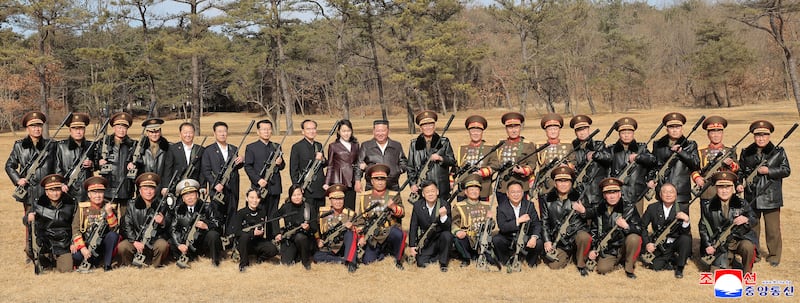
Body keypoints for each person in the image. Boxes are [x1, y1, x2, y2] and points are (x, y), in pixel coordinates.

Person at [737, 120, 790, 267]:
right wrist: (739, 184)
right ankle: (755, 254)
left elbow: (786, 170)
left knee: (772, 229)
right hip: (751, 195)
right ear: (754, 136)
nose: (761, 138)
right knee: (752, 227)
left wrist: (770, 171)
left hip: (770, 196)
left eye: (764, 135)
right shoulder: (746, 152)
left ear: (769, 136)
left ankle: (774, 256)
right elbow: (740, 171)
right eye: (758, 135)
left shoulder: (779, 152)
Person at [348, 164, 406, 270]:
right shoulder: (364, 197)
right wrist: (362, 237)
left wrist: (393, 207)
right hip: (373, 236)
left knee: (398, 234)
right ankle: (383, 253)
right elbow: (360, 221)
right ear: (371, 181)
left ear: (386, 181)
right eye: (376, 179)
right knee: (368, 261)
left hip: (388, 231)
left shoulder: (393, 195)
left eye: (382, 179)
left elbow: (402, 213)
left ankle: (397, 259)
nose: (380, 182)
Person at [700, 171, 757, 273]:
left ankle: (747, 271)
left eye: (728, 187)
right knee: (717, 272)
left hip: (738, 240)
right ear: (716, 188)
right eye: (721, 187)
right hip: (720, 244)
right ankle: (731, 260)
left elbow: (754, 219)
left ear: (733, 188)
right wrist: (708, 245)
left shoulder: (742, 203)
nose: (724, 191)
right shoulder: (708, 206)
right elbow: (703, 227)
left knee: (748, 246)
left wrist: (746, 219)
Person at [586, 177, 643, 279]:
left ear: (619, 194)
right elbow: (594, 230)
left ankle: (629, 268)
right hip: (609, 249)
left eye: (614, 192)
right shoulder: (599, 209)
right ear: (604, 195)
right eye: (608, 193)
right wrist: (593, 249)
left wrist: (627, 226)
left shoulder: (629, 208)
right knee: (602, 269)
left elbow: (639, 229)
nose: (612, 196)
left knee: (634, 238)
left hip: (623, 246)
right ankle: (618, 262)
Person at [539, 167, 592, 275]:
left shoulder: (580, 196)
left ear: (571, 182)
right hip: (560, 240)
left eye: (566, 181)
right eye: (560, 181)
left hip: (576, 235)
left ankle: (581, 263)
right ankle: (570, 256)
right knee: (554, 266)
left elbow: (592, 215)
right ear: (555, 182)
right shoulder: (546, 199)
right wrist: (547, 240)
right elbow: (544, 222)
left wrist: (583, 211)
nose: (563, 184)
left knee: (584, 237)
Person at [605, 117, 657, 216]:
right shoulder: (612, 150)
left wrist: (639, 157)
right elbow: (607, 170)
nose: (626, 135)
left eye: (629, 132)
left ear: (633, 133)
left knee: (637, 222)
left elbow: (653, 161)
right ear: (619, 134)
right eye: (623, 133)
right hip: (617, 194)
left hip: (637, 193)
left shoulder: (642, 148)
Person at [651, 112, 700, 214]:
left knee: (682, 224)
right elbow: (653, 165)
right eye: (671, 127)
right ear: (666, 129)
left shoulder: (690, 145)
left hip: (681, 192)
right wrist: (651, 179)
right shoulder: (658, 144)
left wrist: (681, 152)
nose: (674, 130)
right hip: (662, 190)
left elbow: (696, 164)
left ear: (682, 128)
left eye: (677, 127)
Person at [118, 172, 170, 268]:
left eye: (151, 189)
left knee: (163, 245)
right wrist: (134, 241)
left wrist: (163, 222)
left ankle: (156, 264)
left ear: (155, 190)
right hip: (136, 239)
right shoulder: (132, 204)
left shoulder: (162, 205)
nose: (149, 192)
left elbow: (170, 226)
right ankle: (128, 265)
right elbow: (126, 224)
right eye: (145, 189)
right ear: (140, 190)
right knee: (123, 246)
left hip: (154, 240)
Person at [243, 119, 285, 238]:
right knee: (259, 215)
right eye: (263, 129)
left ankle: (272, 240)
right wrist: (258, 180)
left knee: (273, 215)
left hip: (274, 187)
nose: (266, 131)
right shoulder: (251, 147)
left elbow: (282, 166)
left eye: (269, 129)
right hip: (259, 188)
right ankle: (258, 242)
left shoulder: (276, 146)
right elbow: (248, 167)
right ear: (258, 131)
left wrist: (280, 162)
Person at [26, 174, 76, 273]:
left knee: (67, 270)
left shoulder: (71, 203)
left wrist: (73, 242)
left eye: (57, 190)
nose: (55, 193)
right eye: (51, 190)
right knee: (29, 248)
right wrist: (28, 218)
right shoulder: (39, 203)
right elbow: (25, 219)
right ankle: (47, 261)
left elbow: (75, 225)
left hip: (63, 243)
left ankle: (56, 261)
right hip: (46, 242)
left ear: (61, 190)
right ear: (46, 192)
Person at [201, 121, 244, 234]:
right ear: (214, 133)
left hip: (233, 187)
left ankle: (230, 238)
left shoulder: (233, 149)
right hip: (217, 189)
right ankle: (218, 238)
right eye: (219, 132)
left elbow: (235, 167)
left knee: (232, 212)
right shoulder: (208, 150)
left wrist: (241, 161)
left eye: (224, 131)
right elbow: (206, 170)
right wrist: (215, 184)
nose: (222, 134)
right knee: (217, 214)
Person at [7, 111, 55, 211]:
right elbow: (9, 165)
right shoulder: (19, 146)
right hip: (29, 192)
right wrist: (17, 180)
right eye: (33, 126)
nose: (37, 129)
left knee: (50, 224)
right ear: (27, 128)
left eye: (39, 126)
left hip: (49, 192)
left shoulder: (51, 145)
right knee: (30, 222)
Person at [641, 183, 691, 278]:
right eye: (665, 192)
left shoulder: (682, 208)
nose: (668, 195)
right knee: (655, 267)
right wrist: (647, 243)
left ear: (676, 195)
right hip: (659, 245)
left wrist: (686, 221)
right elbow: (642, 227)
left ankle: (680, 268)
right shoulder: (652, 208)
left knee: (686, 239)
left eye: (671, 192)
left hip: (675, 243)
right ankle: (671, 262)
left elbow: (685, 231)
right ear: (660, 194)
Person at [170, 178, 223, 268]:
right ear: (182, 198)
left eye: (192, 194)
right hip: (187, 243)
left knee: (213, 235)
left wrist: (207, 226)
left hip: (203, 242)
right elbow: (173, 229)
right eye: (186, 195)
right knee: (171, 242)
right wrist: (179, 245)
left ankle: (215, 261)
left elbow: (218, 223)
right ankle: (184, 258)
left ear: (197, 195)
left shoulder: (207, 206)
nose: (190, 198)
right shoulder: (178, 210)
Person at [71, 176, 119, 272]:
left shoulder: (109, 207)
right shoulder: (82, 208)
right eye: (94, 192)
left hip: (102, 244)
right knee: (77, 255)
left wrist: (110, 214)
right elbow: (76, 228)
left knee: (113, 235)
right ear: (89, 195)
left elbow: (114, 229)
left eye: (100, 192)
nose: (98, 196)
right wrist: (83, 248)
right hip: (86, 243)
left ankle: (107, 265)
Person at [492, 181, 543, 270]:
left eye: (518, 192)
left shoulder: (529, 205)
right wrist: (518, 221)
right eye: (513, 192)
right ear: (507, 194)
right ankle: (506, 261)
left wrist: (534, 237)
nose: (516, 195)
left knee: (538, 242)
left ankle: (530, 262)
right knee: (497, 240)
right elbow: (502, 227)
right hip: (509, 237)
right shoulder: (501, 207)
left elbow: (536, 224)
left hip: (525, 236)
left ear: (523, 193)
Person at [408, 110, 456, 202]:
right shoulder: (414, 144)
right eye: (425, 125)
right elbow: (410, 167)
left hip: (441, 187)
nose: (428, 127)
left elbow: (452, 161)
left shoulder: (444, 142)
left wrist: (440, 158)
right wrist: (413, 184)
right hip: (422, 187)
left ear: (434, 126)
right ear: (420, 128)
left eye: (430, 124)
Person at [95, 112, 136, 219]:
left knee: (125, 219)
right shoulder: (104, 143)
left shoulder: (133, 145)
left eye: (124, 127)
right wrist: (98, 163)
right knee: (108, 219)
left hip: (126, 188)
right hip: (109, 188)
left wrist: (134, 164)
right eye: (119, 127)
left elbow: (140, 163)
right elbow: (94, 162)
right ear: (114, 127)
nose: (121, 130)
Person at [451, 175, 496, 268]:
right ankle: (466, 258)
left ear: (480, 192)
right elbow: (453, 223)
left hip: (481, 241)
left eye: (476, 190)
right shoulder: (459, 206)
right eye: (471, 190)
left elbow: (492, 226)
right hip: (467, 239)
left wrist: (490, 220)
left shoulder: (486, 205)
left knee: (492, 260)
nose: (474, 192)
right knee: (458, 239)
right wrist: (457, 231)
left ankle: (480, 256)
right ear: (466, 192)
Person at [230, 188, 279, 272]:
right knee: (244, 237)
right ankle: (243, 264)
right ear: (247, 198)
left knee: (273, 249)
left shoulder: (262, 212)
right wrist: (252, 233)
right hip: (244, 242)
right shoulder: (240, 213)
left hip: (257, 241)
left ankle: (260, 259)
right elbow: (236, 232)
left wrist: (260, 232)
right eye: (251, 198)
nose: (254, 200)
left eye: (257, 198)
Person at [407, 180, 452, 272]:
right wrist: (412, 246)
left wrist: (443, 216)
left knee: (447, 235)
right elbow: (413, 226)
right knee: (421, 263)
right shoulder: (417, 205)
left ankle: (443, 263)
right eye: (427, 192)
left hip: (440, 238)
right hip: (426, 239)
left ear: (437, 192)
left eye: (433, 191)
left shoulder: (444, 204)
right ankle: (437, 256)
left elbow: (448, 226)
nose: (430, 194)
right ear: (423, 194)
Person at [693, 116, 739, 201]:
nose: (716, 135)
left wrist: (730, 164)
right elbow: (694, 169)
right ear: (708, 134)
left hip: (726, 192)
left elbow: (737, 169)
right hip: (707, 192)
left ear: (722, 134)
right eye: (712, 132)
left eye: (719, 132)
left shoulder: (729, 151)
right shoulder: (701, 152)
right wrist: (697, 178)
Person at [275, 184, 319, 270]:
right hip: (290, 239)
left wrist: (308, 228)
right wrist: (277, 233)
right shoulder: (286, 207)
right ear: (290, 196)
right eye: (294, 195)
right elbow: (274, 217)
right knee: (286, 263)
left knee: (300, 238)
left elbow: (314, 228)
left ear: (302, 195)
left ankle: (305, 262)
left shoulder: (309, 208)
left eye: (299, 194)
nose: (297, 197)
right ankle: (297, 255)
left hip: (305, 239)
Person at [569, 114, 610, 207]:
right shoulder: (572, 148)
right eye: (579, 130)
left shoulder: (599, 145)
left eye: (584, 129)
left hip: (597, 193)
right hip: (580, 193)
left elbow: (608, 157)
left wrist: (596, 155)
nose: (582, 133)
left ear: (589, 130)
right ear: (575, 132)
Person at [495, 112, 536, 204]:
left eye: (516, 127)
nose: (513, 130)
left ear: (520, 127)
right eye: (510, 127)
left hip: (521, 186)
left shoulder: (528, 144)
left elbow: (532, 163)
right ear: (506, 129)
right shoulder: (500, 144)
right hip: (503, 188)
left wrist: (523, 170)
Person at [355, 120, 407, 192]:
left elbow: (404, 162)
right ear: (373, 131)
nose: (380, 134)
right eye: (377, 131)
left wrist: (397, 170)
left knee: (393, 203)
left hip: (392, 186)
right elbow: (359, 165)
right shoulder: (366, 146)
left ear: (388, 131)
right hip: (372, 186)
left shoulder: (396, 145)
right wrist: (357, 181)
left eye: (383, 131)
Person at [455, 115, 499, 201]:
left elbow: (496, 165)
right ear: (469, 131)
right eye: (473, 130)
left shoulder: (489, 148)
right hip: (464, 189)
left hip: (482, 189)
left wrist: (482, 172)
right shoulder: (462, 149)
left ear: (482, 132)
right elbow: (456, 168)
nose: (475, 133)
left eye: (478, 130)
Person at [534, 113, 575, 198]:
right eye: (550, 129)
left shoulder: (568, 145)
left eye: (555, 129)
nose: (553, 131)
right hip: (546, 187)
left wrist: (567, 166)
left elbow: (574, 163)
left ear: (559, 130)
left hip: (564, 188)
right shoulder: (539, 147)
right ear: (546, 131)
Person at [55, 112, 94, 202]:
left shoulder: (90, 145)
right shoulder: (61, 146)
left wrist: (91, 164)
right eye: (75, 128)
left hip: (86, 191)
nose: (78, 131)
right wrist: (61, 184)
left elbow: (97, 163)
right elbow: (57, 167)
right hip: (67, 189)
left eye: (81, 128)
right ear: (70, 130)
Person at [314, 184, 355, 265]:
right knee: (317, 256)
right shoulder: (323, 213)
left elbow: (358, 231)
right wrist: (318, 239)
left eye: (340, 199)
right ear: (330, 200)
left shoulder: (350, 214)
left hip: (344, 246)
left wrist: (352, 228)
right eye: (335, 199)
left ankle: (348, 260)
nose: (338, 202)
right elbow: (316, 229)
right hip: (329, 247)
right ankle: (341, 260)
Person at [290, 119, 327, 208]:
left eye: (313, 129)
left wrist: (322, 159)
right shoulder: (297, 147)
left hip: (320, 188)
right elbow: (293, 169)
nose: (311, 131)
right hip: (306, 188)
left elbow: (325, 164)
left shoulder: (319, 145)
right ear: (303, 131)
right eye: (308, 129)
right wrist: (297, 187)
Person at [324, 119, 360, 210]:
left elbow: (357, 163)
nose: (346, 133)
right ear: (339, 132)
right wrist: (327, 183)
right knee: (339, 208)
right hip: (338, 180)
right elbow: (330, 165)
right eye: (344, 131)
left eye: (348, 131)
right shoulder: (333, 146)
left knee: (350, 208)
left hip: (351, 181)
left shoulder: (355, 145)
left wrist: (357, 179)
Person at [162, 122, 205, 196]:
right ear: (180, 133)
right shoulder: (173, 149)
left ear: (194, 133)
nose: (188, 135)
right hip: (176, 187)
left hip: (194, 187)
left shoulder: (200, 150)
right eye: (185, 132)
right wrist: (166, 186)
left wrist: (202, 186)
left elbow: (202, 170)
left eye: (190, 132)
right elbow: (168, 168)